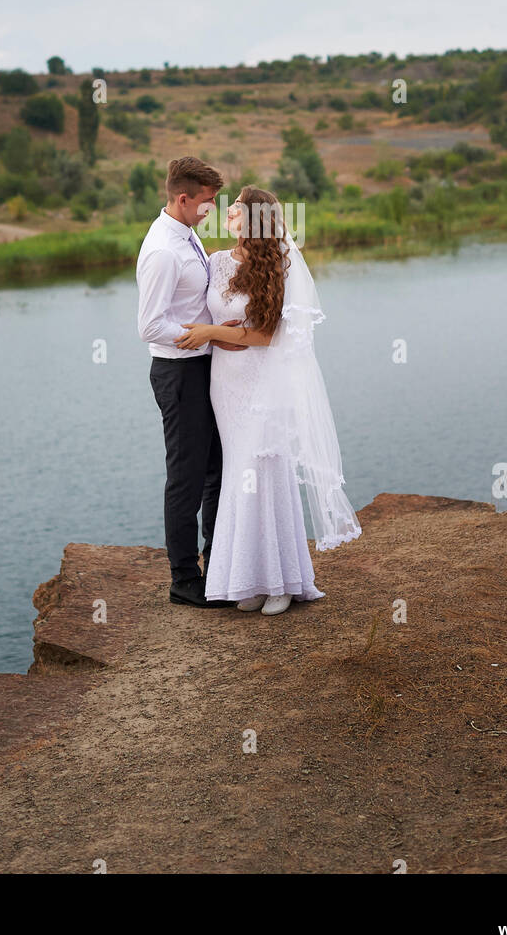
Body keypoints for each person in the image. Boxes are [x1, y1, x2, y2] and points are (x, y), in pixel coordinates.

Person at [174, 185, 361, 615]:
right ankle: (251, 581)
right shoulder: (218, 262)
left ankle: (284, 581)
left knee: (265, 469)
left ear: (255, 218)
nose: (229, 213)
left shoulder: (276, 265)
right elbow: (215, 317)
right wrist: (222, 332)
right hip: (226, 383)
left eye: (237, 208)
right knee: (240, 474)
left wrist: (216, 333)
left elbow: (264, 335)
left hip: (263, 382)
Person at [136, 155, 238, 607]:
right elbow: (150, 326)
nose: (211, 209)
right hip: (179, 372)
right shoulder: (162, 250)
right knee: (186, 477)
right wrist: (204, 336)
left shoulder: (186, 234)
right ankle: (184, 579)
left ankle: (217, 561)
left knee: (217, 467)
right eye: (207, 202)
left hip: (202, 366)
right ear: (183, 199)